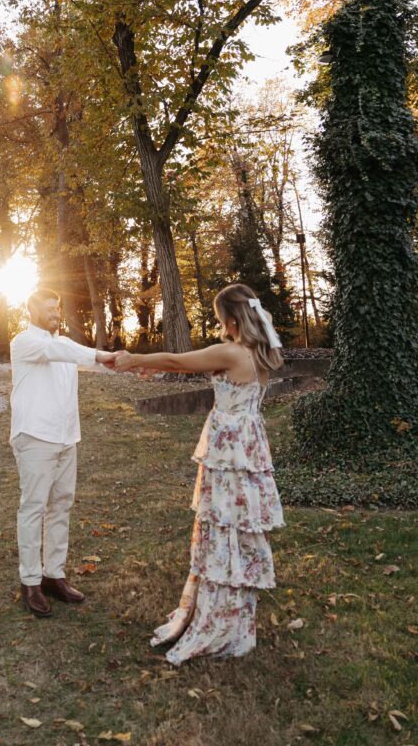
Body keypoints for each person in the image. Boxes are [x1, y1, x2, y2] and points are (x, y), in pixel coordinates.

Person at [114, 283, 284, 663]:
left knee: (223, 522)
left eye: (220, 316)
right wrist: (146, 367)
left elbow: (178, 362)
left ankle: (221, 619)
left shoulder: (231, 352)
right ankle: (237, 614)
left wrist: (133, 359)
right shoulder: (266, 351)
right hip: (249, 444)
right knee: (239, 526)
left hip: (228, 450)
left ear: (230, 319)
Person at [10, 287, 116, 617]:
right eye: (48, 308)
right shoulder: (25, 342)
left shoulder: (63, 347)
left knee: (61, 506)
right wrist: (100, 355)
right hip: (36, 437)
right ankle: (29, 582)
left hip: (66, 437)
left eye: (57, 307)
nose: (56, 312)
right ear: (32, 311)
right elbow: (59, 350)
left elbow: (76, 358)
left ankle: (53, 575)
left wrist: (126, 364)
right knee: (34, 507)